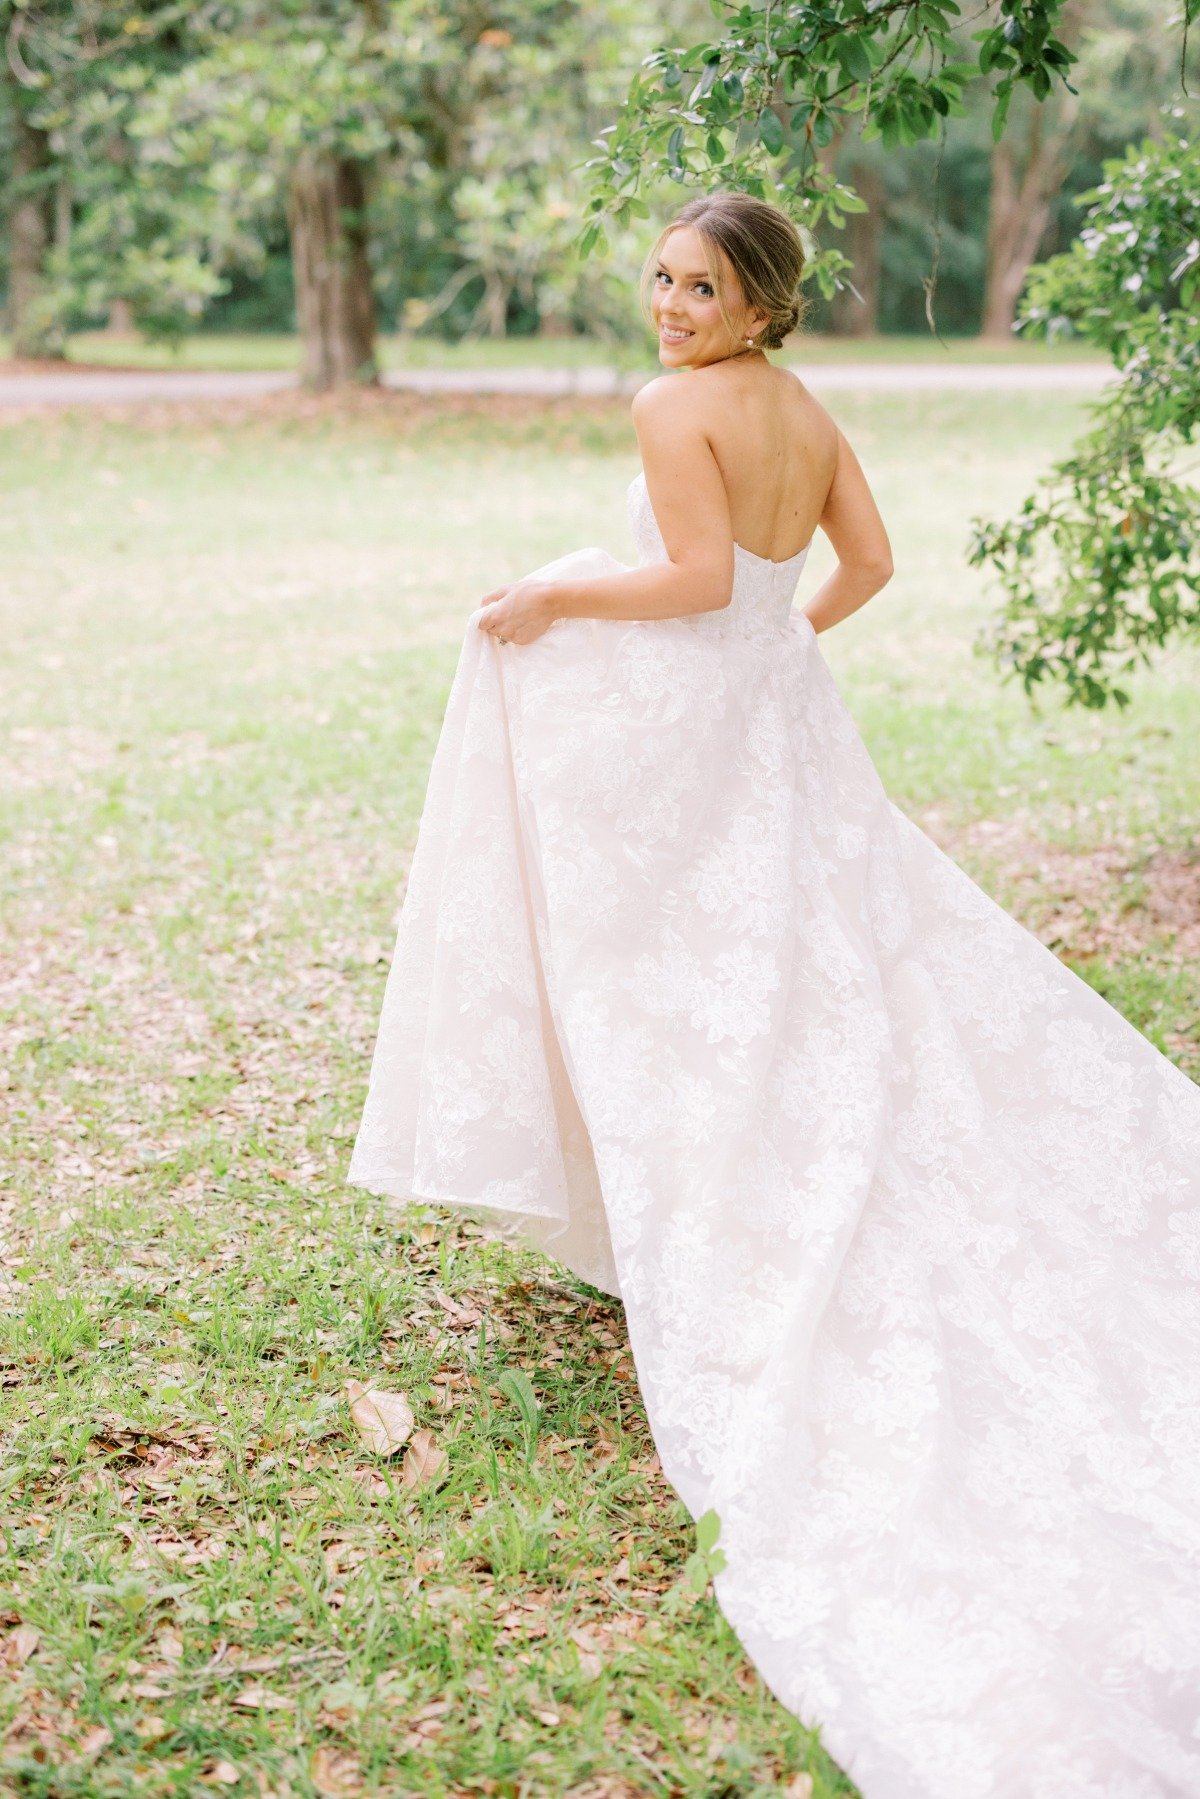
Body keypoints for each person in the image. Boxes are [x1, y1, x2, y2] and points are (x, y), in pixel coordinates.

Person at [348, 192, 1200, 1799]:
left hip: (711, 717)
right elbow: (866, 562)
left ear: (760, 303)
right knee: (828, 960)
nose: (669, 307)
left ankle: (708, 1189)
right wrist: (779, 645)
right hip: (784, 728)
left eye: (703, 286)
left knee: (712, 971)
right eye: (662, 279)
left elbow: (681, 578)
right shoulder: (805, 410)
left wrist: (548, 601)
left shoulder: (679, 407)